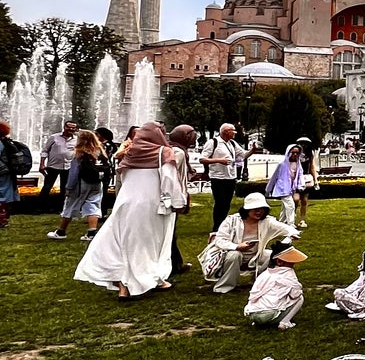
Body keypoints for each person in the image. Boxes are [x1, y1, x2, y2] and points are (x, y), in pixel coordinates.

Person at [74, 121, 184, 300]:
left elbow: (123, 175)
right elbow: (169, 179)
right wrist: (178, 202)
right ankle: (147, 279)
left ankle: (126, 285)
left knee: (125, 242)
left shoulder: (131, 152)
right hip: (152, 204)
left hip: (126, 202)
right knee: (150, 243)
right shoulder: (164, 152)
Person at [206, 192, 295, 295]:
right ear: (247, 209)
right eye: (255, 209)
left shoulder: (267, 221)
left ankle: (259, 283)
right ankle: (224, 287)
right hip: (231, 255)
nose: (259, 212)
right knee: (234, 255)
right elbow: (220, 240)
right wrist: (237, 246)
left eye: (262, 209)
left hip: (255, 255)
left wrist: (293, 233)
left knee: (272, 255)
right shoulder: (232, 220)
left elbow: (283, 227)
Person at [46, 130, 105, 242]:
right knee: (93, 205)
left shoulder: (80, 153)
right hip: (97, 182)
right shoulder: (99, 151)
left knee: (70, 205)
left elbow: (74, 172)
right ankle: (91, 232)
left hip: (81, 183)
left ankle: (61, 231)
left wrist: (69, 187)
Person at [244, 245, 307, 329]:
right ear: (279, 262)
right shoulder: (288, 274)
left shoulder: (264, 274)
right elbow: (295, 294)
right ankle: (284, 322)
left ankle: (257, 323)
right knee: (300, 298)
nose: (293, 264)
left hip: (253, 313)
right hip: (269, 315)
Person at [165, 124, 197, 276]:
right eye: (191, 135)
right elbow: (170, 173)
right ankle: (173, 264)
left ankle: (175, 263)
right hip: (173, 197)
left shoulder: (178, 150)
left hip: (173, 196)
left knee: (171, 232)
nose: (194, 138)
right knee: (170, 232)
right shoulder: (178, 152)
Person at [201, 125, 245, 229]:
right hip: (218, 177)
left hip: (230, 177)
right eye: (232, 131)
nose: (234, 133)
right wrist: (220, 160)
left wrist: (253, 150)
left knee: (226, 204)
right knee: (220, 202)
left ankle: (223, 225)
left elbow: (243, 155)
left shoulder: (233, 143)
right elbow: (202, 159)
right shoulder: (213, 142)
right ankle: (217, 227)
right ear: (225, 132)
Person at [265, 142, 307, 225]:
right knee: (290, 206)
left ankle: (281, 224)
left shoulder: (298, 165)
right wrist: (268, 189)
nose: (295, 155)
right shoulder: (282, 164)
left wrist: (301, 185)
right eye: (293, 152)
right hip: (283, 188)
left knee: (285, 208)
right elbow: (274, 177)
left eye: (297, 153)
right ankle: (291, 224)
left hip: (291, 189)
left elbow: (300, 175)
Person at [0, 120, 26, 229]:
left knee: (1, 197)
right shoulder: (5, 142)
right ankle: (4, 219)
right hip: (7, 173)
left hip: (2, 173)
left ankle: (1, 220)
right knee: (5, 196)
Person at [292, 137, 316, 229]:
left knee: (304, 200)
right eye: (302, 143)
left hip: (305, 178)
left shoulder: (310, 154)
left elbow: (312, 166)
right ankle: (292, 218)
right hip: (296, 178)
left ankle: (302, 220)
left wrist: (315, 179)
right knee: (296, 199)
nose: (303, 145)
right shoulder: (295, 153)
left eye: (305, 144)